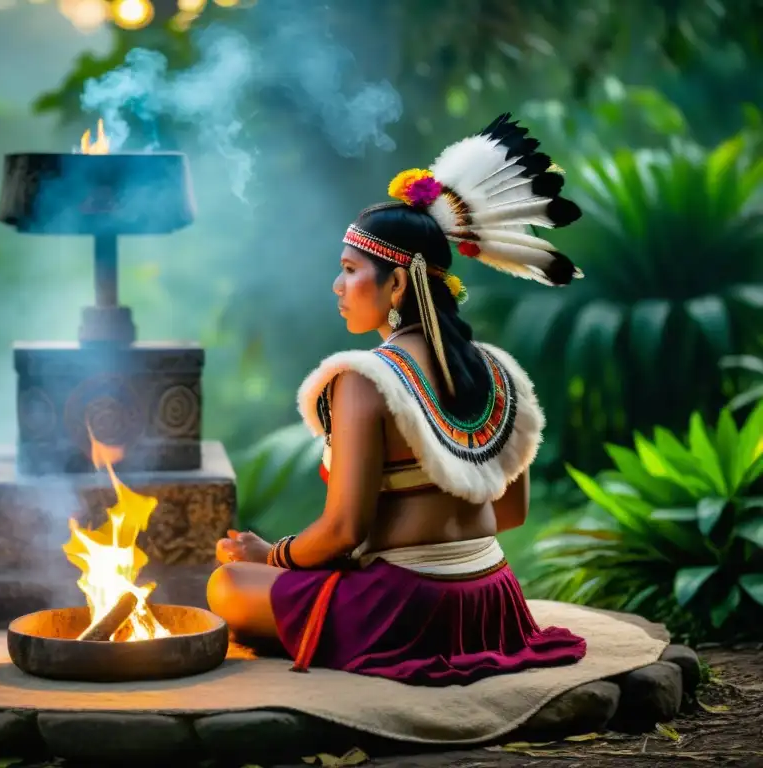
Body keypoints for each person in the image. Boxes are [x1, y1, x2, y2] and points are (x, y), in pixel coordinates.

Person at [207, 113, 589, 685]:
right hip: (492, 599)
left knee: (227, 586)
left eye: (350, 269)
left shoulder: (364, 378)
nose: (338, 286)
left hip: (409, 608)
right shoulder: (497, 369)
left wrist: (273, 555)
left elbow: (343, 533)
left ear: (400, 284)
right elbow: (511, 514)